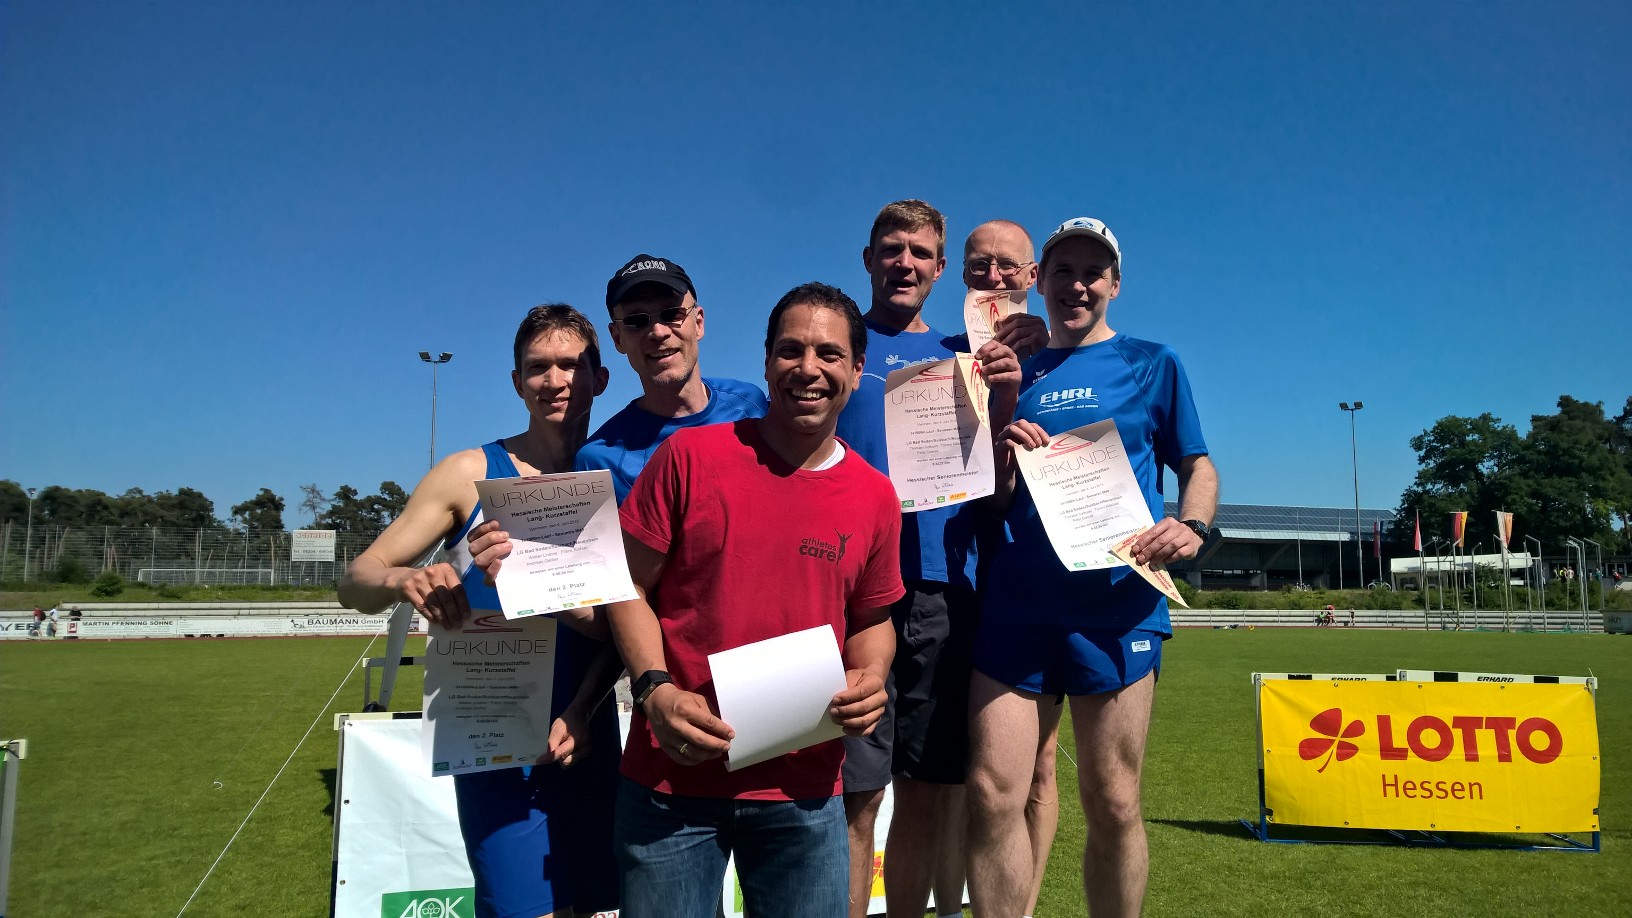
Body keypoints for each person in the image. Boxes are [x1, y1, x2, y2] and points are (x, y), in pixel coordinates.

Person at [606, 282, 904, 918]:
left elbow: (872, 618)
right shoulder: (689, 457)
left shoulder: (876, 496)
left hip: (805, 786)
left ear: (856, 370)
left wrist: (872, 673)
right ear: (766, 362)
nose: (808, 368)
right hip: (672, 780)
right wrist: (655, 689)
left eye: (829, 354)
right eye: (790, 350)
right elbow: (625, 585)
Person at [967, 217, 1219, 918]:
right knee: (992, 794)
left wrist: (1193, 526)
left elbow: (1198, 466)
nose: (1077, 285)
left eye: (1092, 272)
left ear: (1114, 284)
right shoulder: (1007, 367)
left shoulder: (1151, 362)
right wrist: (1004, 452)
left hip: (1117, 606)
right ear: (1039, 281)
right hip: (1016, 604)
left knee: (1113, 799)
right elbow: (991, 497)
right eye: (1063, 271)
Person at [338, 304, 622, 918]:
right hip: (494, 740)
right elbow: (354, 583)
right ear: (517, 382)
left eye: (571, 365)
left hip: (588, 734)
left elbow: (623, 628)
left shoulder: (617, 475)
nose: (554, 380)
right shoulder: (468, 473)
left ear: (600, 378)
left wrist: (583, 708)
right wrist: (402, 577)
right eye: (538, 367)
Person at [833, 203, 1043, 918]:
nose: (905, 264)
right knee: (853, 797)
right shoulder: (834, 346)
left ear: (941, 268)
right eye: (892, 249)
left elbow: (998, 488)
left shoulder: (970, 356)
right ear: (868, 259)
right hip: (845, 593)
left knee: (923, 793)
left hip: (940, 591)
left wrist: (1011, 385)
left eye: (920, 253)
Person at [575, 254, 767, 502]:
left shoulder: (751, 404)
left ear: (698, 323)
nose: (658, 332)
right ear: (617, 338)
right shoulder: (597, 464)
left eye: (672, 313)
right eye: (636, 320)